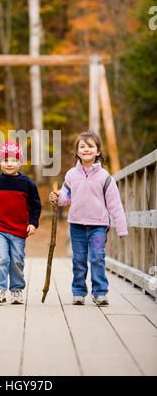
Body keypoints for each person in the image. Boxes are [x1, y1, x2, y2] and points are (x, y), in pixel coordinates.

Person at [49, 131, 128, 306]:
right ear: (77, 152)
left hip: (98, 225)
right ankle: (78, 291)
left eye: (90, 146)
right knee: (78, 259)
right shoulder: (71, 175)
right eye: (82, 146)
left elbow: (115, 204)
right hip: (76, 225)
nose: (86, 149)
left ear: (98, 151)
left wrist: (121, 228)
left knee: (97, 257)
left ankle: (100, 292)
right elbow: (66, 197)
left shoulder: (105, 177)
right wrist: (56, 197)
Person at [0, 141, 41, 305]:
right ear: (0, 162)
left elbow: (35, 205)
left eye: (13, 160)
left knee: (17, 260)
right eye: (5, 160)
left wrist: (33, 223)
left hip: (19, 229)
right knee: (1, 257)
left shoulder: (27, 184)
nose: (10, 164)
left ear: (20, 162)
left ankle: (16, 290)